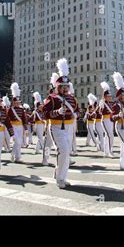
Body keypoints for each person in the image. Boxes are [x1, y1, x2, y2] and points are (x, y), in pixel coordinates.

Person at [42, 58, 78, 189]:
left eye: (66, 86)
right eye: (62, 87)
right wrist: (57, 111)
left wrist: (77, 114)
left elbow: (77, 110)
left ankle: (61, 175)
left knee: (67, 152)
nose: (64, 89)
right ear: (57, 87)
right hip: (57, 126)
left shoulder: (72, 98)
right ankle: (60, 178)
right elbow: (44, 113)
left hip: (69, 126)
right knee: (63, 150)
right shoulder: (51, 98)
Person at [7, 83, 28, 163]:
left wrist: (25, 128)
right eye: (16, 102)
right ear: (13, 102)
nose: (17, 103)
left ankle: (17, 156)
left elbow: (24, 119)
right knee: (17, 141)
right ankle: (15, 155)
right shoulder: (10, 109)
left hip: (20, 126)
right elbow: (7, 119)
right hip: (13, 126)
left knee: (19, 142)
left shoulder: (21, 109)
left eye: (18, 102)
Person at [98, 81, 115, 158]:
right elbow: (100, 112)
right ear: (105, 97)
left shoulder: (111, 103)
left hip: (111, 120)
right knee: (109, 135)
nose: (110, 97)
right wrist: (101, 104)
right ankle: (110, 151)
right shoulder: (102, 102)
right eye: (108, 96)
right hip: (105, 120)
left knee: (108, 136)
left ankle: (106, 152)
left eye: (110, 96)